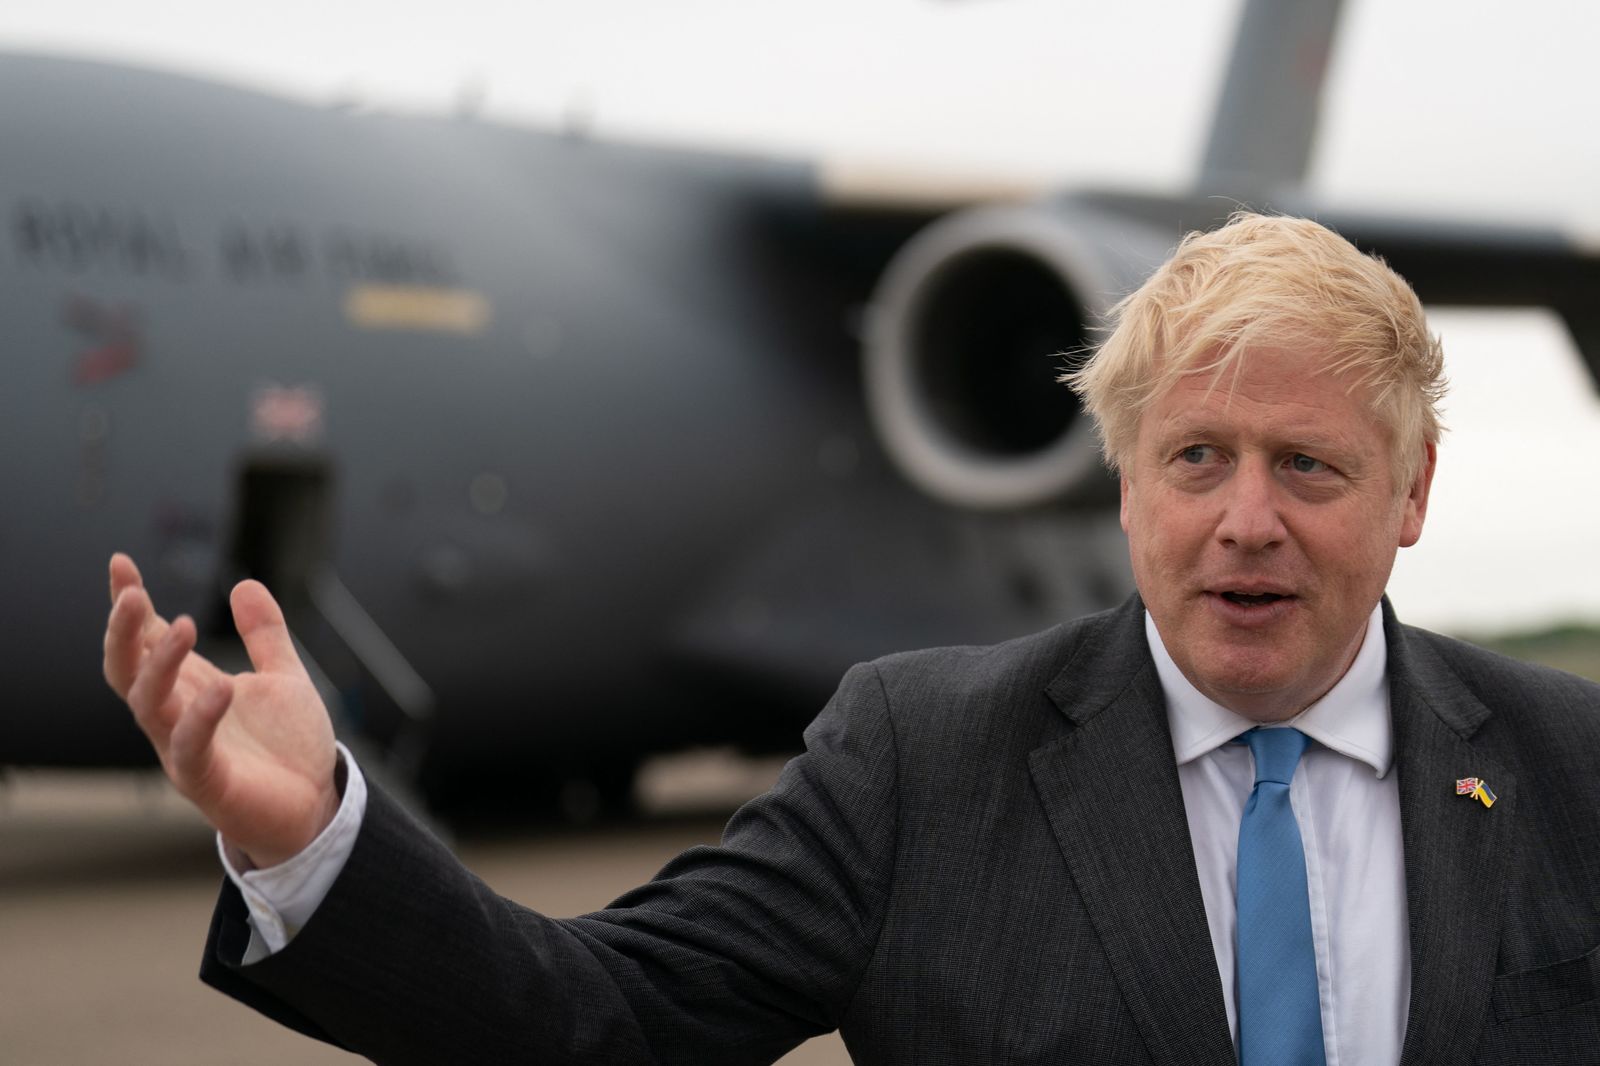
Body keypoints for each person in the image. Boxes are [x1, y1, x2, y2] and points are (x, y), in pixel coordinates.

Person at [103, 213, 1600, 1064]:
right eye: (1196, 459)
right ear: (1127, 486)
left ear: (1413, 491)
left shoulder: (1570, 767)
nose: (1245, 521)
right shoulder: (921, 761)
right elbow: (593, 1023)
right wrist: (317, 839)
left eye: (1311, 466)